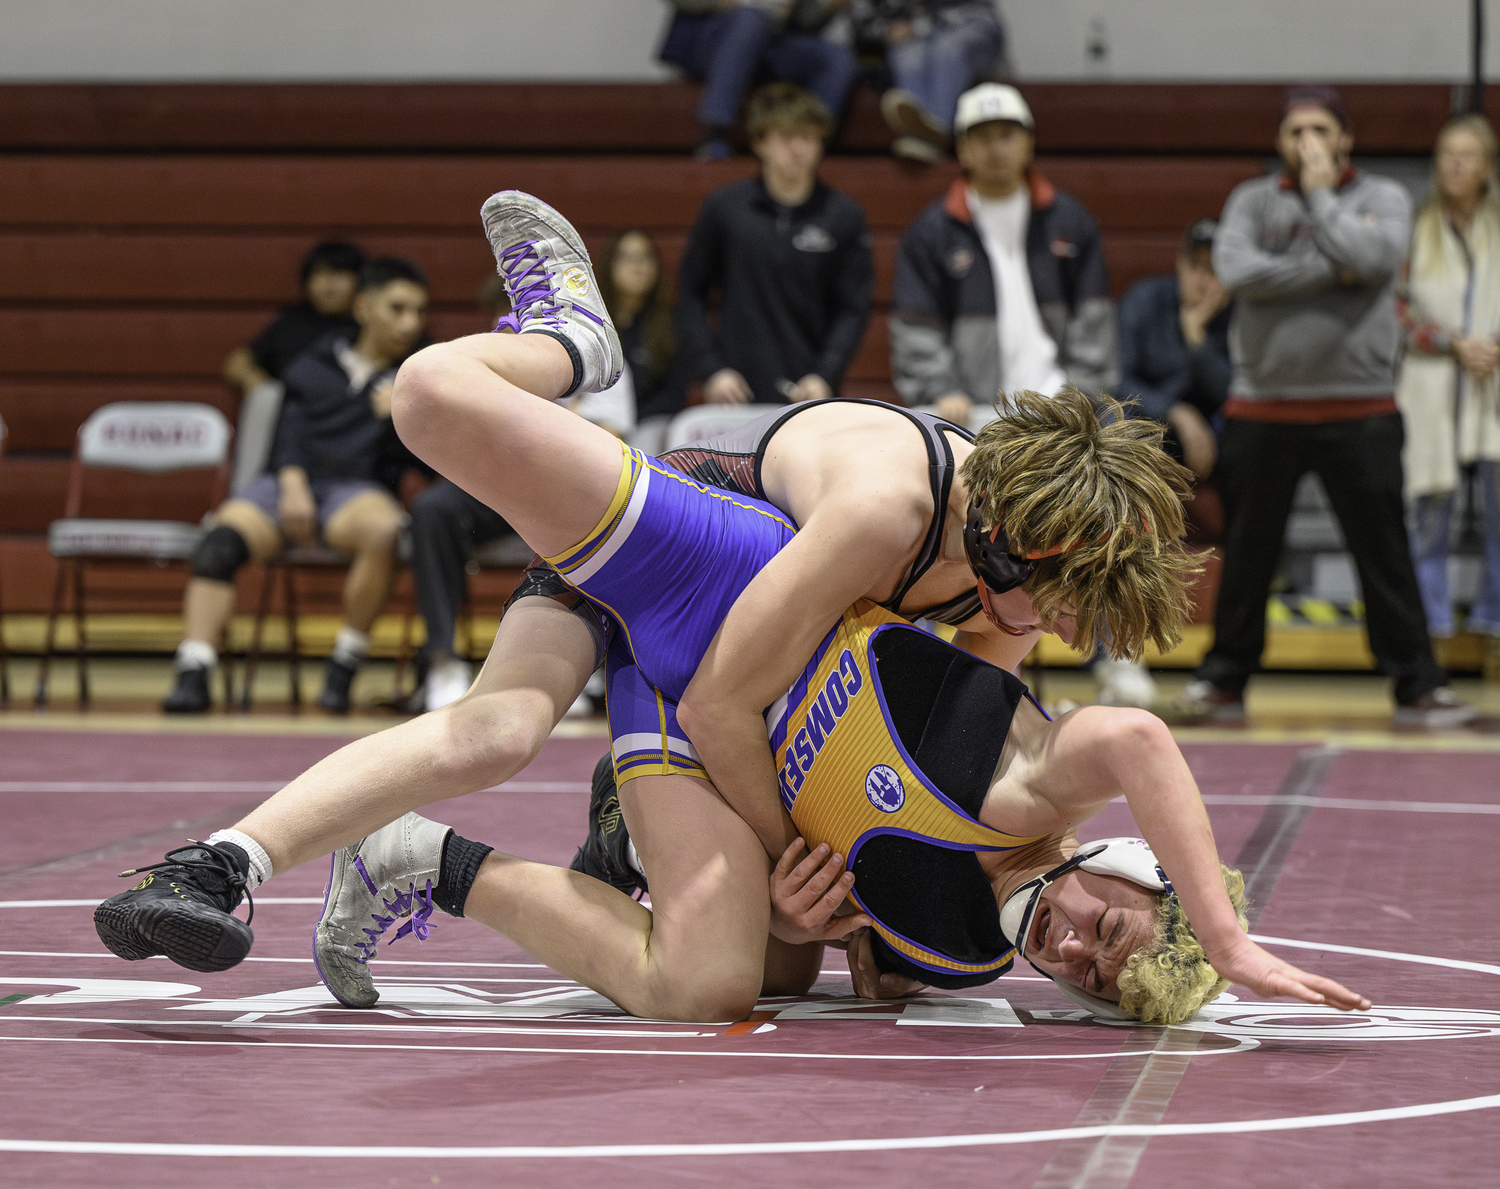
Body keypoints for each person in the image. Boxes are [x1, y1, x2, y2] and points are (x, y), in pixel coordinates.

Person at [97, 191, 1366, 1029]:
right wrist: (1226, 936)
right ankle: (576, 345)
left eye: (1093, 975)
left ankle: (403, 862)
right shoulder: (887, 512)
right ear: (1012, 534)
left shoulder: (1009, 608)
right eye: (1117, 931)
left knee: (710, 967)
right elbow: (734, 698)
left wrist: (810, 913)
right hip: (701, 565)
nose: (1035, 619)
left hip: (729, 669)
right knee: (431, 399)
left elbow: (927, 734)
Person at [1178, 87, 1476, 728]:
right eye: (1294, 131)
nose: (1306, 142)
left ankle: (1417, 686)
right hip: (1263, 409)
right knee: (1249, 556)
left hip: (1360, 408)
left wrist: (1319, 199)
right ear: (1280, 141)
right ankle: (1224, 680)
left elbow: (1375, 259)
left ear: (1344, 139)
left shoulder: (1383, 198)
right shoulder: (1251, 201)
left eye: (1319, 129)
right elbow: (1238, 271)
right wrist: (1334, 266)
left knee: (1384, 554)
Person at [160, 258, 430, 715]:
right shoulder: (314, 360)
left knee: (384, 533)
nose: (410, 323)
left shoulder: (420, 376)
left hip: (356, 491)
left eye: (418, 313)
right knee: (219, 543)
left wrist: (405, 420)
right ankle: (195, 668)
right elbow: (287, 433)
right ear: (364, 307)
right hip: (287, 482)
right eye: (398, 309)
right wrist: (292, 482)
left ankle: (344, 664)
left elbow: (426, 469)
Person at [889, 83, 1116, 432]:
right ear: (963, 148)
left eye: (1007, 134)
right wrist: (942, 390)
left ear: (1029, 142)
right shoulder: (932, 231)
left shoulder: (1071, 222)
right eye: (982, 137)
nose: (996, 147)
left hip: (1063, 412)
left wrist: (1078, 394)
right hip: (970, 416)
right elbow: (916, 327)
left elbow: (1094, 320)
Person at [1100, 218, 1231, 709]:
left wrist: (1196, 339)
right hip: (1148, 438)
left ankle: (1225, 667)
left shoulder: (1237, 316)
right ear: (1179, 266)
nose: (1204, 282)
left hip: (1219, 448)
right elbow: (1117, 383)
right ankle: (1120, 654)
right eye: (1196, 268)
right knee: (1115, 450)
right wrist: (1176, 412)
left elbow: (1232, 393)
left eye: (1216, 271)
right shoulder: (1143, 301)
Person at [676, 83, 873, 407]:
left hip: (812, 392)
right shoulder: (725, 208)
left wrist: (825, 374)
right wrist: (712, 369)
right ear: (760, 142)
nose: (798, 148)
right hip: (735, 391)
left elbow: (852, 308)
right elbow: (690, 293)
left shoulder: (843, 215)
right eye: (786, 137)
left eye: (808, 137)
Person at [1396, 114, 1500, 658]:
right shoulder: (1417, 227)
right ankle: (1428, 632)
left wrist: (1491, 346)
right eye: (1446, 154)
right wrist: (1451, 342)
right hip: (1432, 378)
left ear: (1487, 169)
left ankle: (1495, 627)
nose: (1454, 164)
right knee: (1430, 508)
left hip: (1494, 380)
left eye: (1467, 155)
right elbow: (1397, 307)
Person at [658, 1, 858, 161]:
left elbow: (805, 20)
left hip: (769, 43)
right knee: (751, 19)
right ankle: (714, 133)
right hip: (711, 38)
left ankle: (810, 141)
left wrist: (829, 8)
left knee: (838, 59)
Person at [858, 1, 1010, 163]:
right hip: (914, 36)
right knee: (908, 54)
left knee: (946, 49)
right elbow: (861, 22)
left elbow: (966, 9)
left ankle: (936, 130)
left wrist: (918, 26)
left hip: (968, 22)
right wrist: (886, 31)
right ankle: (922, 133)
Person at [220, 241, 366, 397]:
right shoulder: (290, 322)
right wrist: (260, 385)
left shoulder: (367, 326)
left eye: (339, 273)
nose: (328, 283)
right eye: (320, 273)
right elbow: (235, 364)